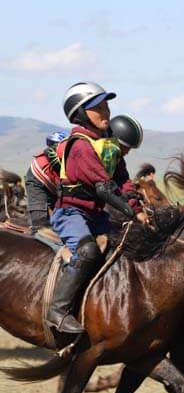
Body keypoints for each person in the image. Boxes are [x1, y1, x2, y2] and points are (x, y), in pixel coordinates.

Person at [48, 82, 141, 341]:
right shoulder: (80, 146)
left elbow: (123, 181)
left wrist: (138, 209)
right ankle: (58, 311)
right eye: (97, 108)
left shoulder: (107, 146)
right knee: (87, 251)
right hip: (71, 213)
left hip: (97, 215)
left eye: (106, 106)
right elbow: (105, 187)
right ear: (80, 115)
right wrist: (130, 210)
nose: (106, 112)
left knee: (129, 243)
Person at [25, 131, 68, 231]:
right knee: (40, 220)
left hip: (52, 184)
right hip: (37, 179)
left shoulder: (66, 158)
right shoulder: (49, 159)